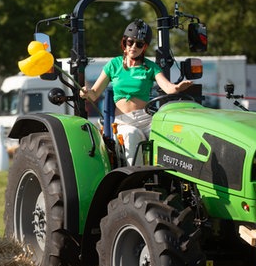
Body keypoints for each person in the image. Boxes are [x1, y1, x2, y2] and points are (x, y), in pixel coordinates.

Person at [80, 19, 193, 166]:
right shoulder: (113, 65)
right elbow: (94, 93)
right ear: (124, 42)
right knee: (132, 134)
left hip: (146, 118)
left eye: (139, 44)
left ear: (144, 47)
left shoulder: (150, 67)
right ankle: (136, 178)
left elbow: (168, 88)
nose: (134, 46)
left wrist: (177, 88)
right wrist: (86, 93)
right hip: (123, 121)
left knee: (171, 133)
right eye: (130, 42)